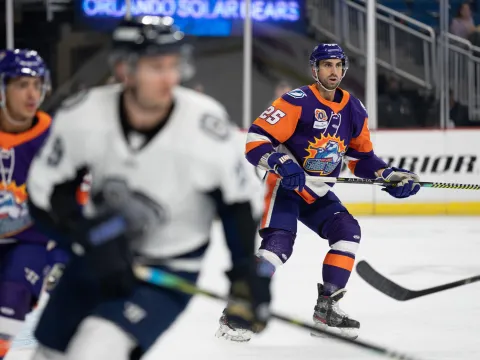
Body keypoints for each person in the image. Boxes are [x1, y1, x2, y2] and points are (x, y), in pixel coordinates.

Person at [24, 15, 271, 360]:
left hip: (168, 269)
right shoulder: (83, 116)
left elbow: (238, 205)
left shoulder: (204, 128)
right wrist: (85, 235)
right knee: (49, 354)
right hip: (99, 258)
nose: (169, 78)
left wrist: (246, 273)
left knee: (95, 350)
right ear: (125, 70)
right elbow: (47, 193)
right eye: (156, 66)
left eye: (175, 65)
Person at [216, 43, 421, 342]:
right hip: (285, 187)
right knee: (278, 245)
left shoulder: (354, 109)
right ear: (315, 69)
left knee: (348, 231)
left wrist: (388, 175)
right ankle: (238, 311)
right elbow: (255, 140)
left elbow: (361, 158)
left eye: (338, 65)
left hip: (318, 192)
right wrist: (282, 163)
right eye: (327, 65)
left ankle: (327, 308)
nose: (333, 71)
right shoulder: (296, 101)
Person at [0, 49, 70, 360]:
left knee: (12, 297)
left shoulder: (55, 138)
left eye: (37, 84)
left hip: (31, 240)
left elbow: (76, 203)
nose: (32, 94)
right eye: (21, 85)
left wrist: (64, 251)